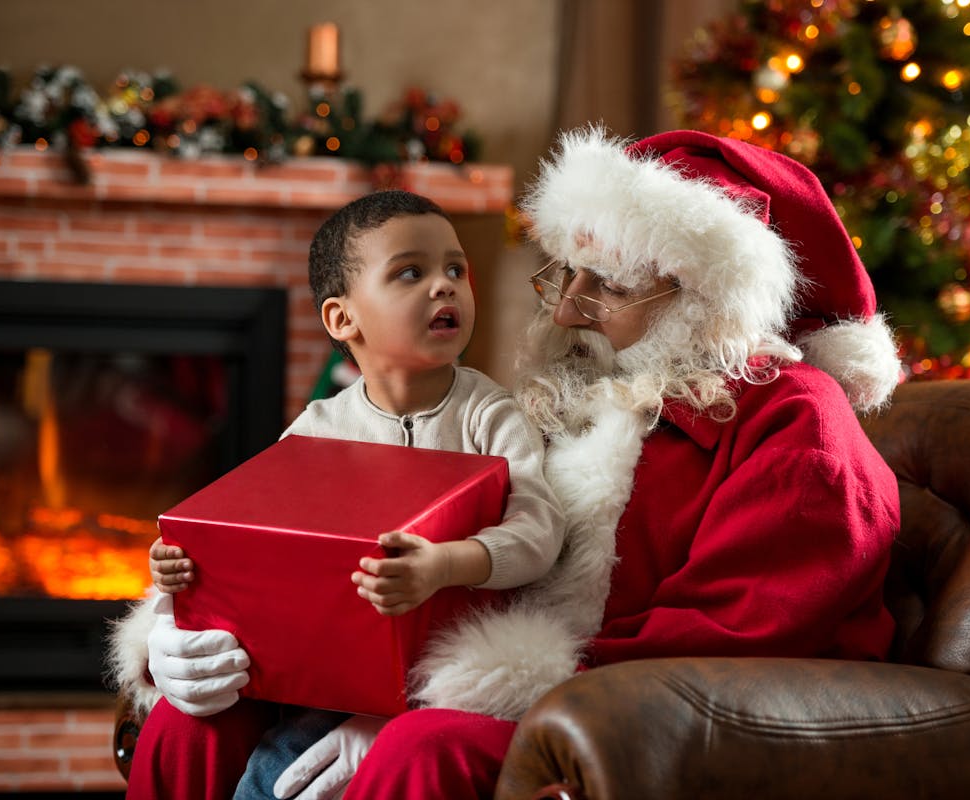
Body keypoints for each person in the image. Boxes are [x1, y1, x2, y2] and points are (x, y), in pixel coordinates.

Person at [292, 126, 906, 799]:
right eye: (565, 273)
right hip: (565, 698)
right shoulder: (586, 394)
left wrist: (438, 696)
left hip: (677, 724)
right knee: (208, 717)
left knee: (425, 746)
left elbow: (722, 644)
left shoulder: (798, 428)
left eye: (607, 286)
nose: (565, 308)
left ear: (703, 303)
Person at [108, 189, 565, 800]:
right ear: (342, 319)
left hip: (437, 675)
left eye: (456, 268)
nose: (445, 286)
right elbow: (261, 545)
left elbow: (539, 530)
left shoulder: (491, 416)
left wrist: (447, 563)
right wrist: (180, 580)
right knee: (257, 764)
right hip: (319, 675)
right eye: (411, 272)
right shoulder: (316, 429)